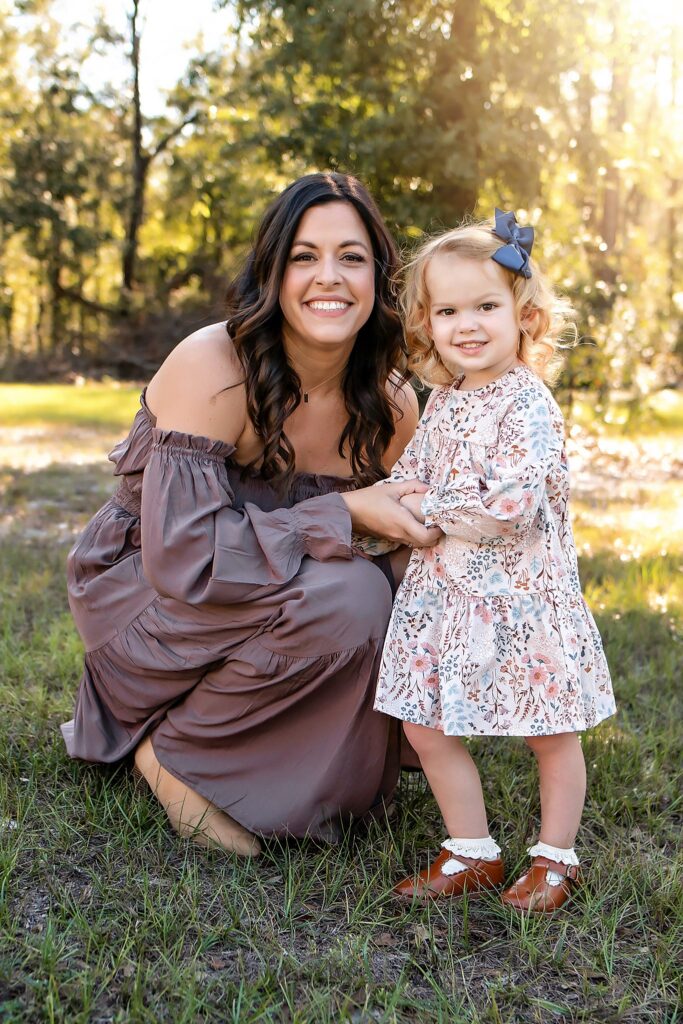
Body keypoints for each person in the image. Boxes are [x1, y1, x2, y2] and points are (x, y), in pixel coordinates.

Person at [62, 172, 441, 858]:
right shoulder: (215, 365)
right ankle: (177, 753)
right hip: (149, 599)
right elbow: (184, 558)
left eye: (351, 257)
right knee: (350, 593)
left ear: (377, 277)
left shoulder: (389, 404)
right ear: (272, 272)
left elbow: (407, 550)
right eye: (304, 256)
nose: (329, 277)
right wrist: (346, 510)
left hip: (268, 596)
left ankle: (259, 764)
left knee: (389, 593)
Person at [368, 209, 616, 912]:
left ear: (524, 316)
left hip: (520, 598)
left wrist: (429, 510)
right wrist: (397, 501)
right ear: (426, 323)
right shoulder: (442, 399)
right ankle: (470, 848)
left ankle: (554, 857)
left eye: (485, 305)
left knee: (547, 730)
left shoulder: (527, 403)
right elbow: (409, 478)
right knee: (424, 724)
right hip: (445, 598)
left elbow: (506, 504)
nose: (466, 324)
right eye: (447, 310)